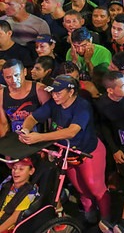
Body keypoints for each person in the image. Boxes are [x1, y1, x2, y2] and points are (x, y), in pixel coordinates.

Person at [20, 75, 111, 223]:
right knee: (80, 188)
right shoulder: (53, 104)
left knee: (95, 187)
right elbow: (33, 118)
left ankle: (107, 219)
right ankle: (89, 213)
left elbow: (71, 131)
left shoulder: (82, 106)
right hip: (67, 153)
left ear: (71, 92)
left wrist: (40, 137)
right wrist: (25, 130)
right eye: (53, 93)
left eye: (58, 93)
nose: (54, 96)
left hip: (88, 152)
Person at [0, 157, 39, 232]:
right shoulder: (7, 183)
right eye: (14, 168)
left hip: (5, 226)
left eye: (21, 169)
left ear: (31, 171)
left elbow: (14, 218)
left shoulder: (28, 193)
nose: (16, 171)